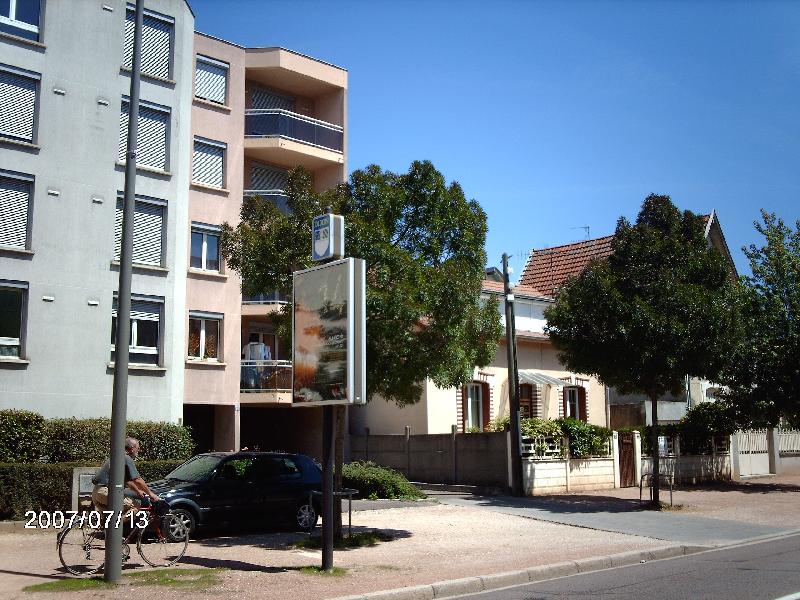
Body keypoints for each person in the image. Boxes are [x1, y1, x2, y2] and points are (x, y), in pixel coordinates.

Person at [91, 437, 160, 516]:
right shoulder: (127, 458)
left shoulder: (118, 457)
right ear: (132, 448)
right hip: (106, 492)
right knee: (135, 507)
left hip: (96, 493)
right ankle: (116, 527)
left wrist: (137, 491)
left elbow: (128, 481)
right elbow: (137, 480)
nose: (138, 451)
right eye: (138, 448)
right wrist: (151, 494)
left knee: (107, 518)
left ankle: (107, 527)